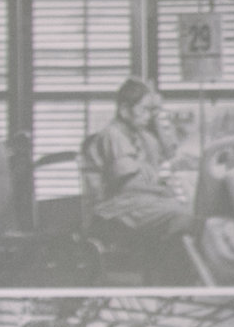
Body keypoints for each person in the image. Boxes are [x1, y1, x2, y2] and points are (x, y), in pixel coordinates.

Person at [81, 78, 194, 262]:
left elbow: (169, 152)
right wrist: (163, 190)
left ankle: (167, 274)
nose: (148, 115)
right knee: (183, 214)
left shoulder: (141, 136)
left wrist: (159, 116)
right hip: (114, 210)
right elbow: (128, 186)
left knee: (187, 210)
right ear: (125, 110)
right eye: (145, 109)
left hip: (137, 203)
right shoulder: (113, 135)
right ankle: (169, 276)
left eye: (152, 110)